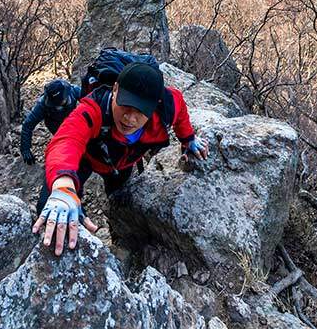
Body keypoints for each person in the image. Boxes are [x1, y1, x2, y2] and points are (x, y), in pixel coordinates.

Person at [32, 61, 207, 255]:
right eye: (126, 105)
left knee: (119, 203)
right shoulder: (94, 108)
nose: (130, 119)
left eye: (141, 111)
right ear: (115, 89)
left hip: (122, 165)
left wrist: (188, 138)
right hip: (85, 158)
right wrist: (63, 186)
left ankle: (118, 241)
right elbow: (67, 140)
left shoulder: (166, 105)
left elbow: (180, 107)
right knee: (50, 206)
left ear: (155, 105)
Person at [20, 78, 82, 164]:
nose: (59, 106)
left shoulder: (74, 91)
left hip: (72, 119)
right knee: (66, 144)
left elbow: (91, 100)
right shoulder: (42, 105)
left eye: (60, 103)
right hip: (55, 125)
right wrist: (25, 149)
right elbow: (28, 125)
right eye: (55, 104)